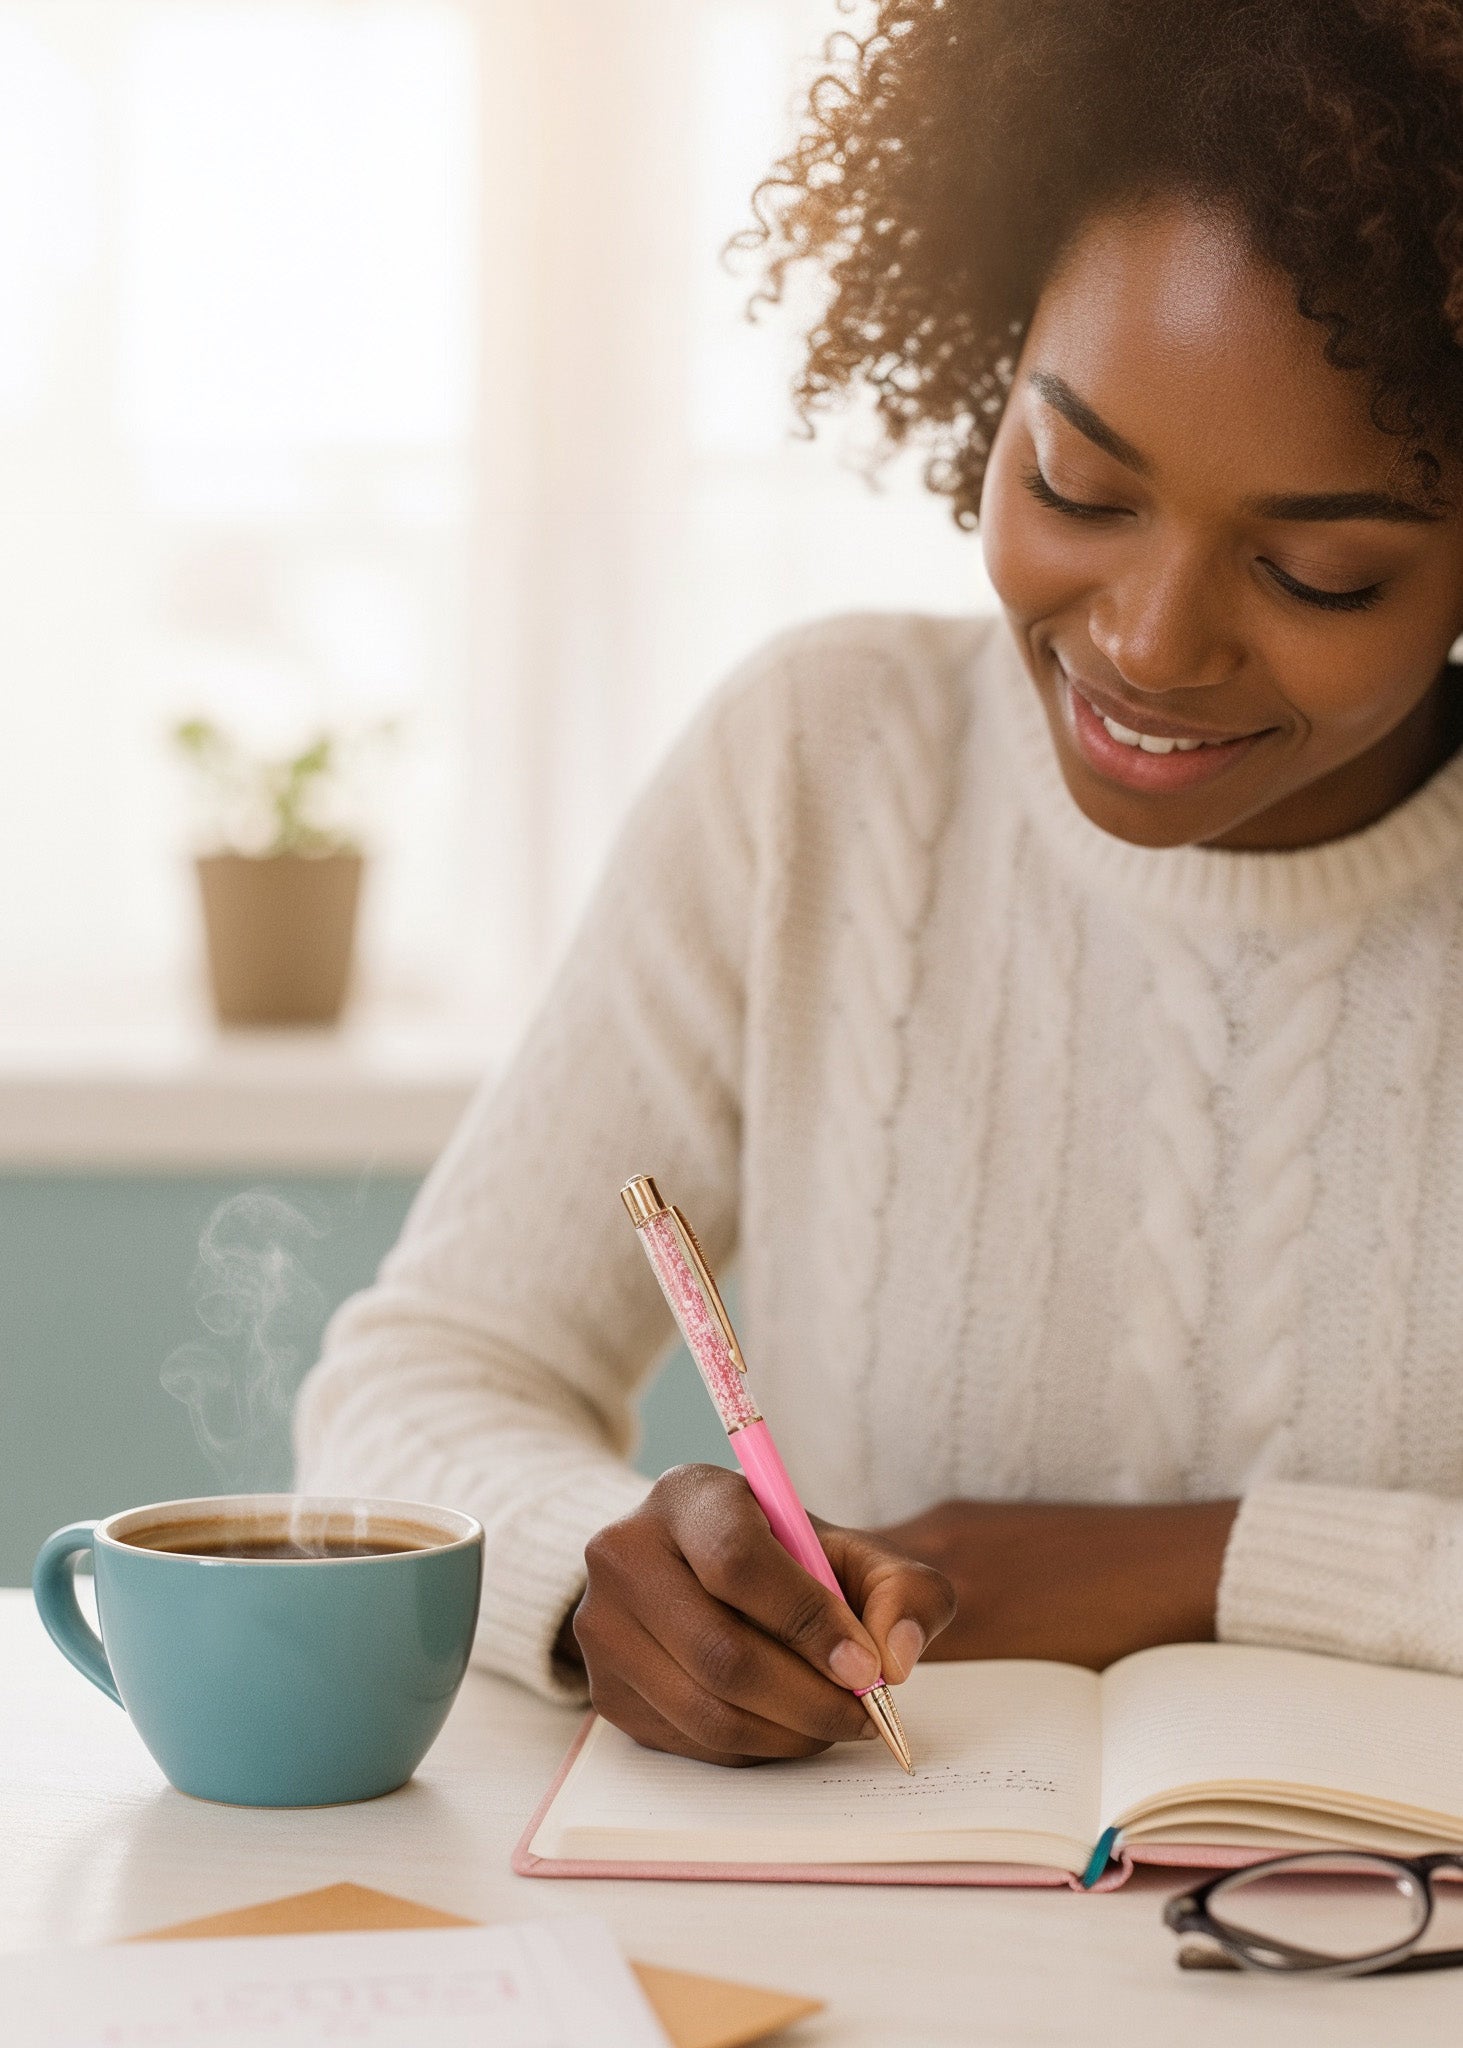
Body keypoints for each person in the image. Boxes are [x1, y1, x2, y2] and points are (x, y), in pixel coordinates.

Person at [295, 0, 1463, 1766]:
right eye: (1073, 480)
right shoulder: (821, 769)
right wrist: (599, 1578)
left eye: (1315, 573)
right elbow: (413, 1384)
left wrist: (1164, 1567)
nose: (1150, 645)